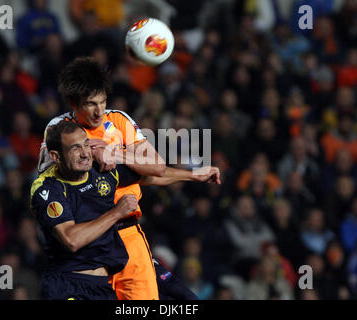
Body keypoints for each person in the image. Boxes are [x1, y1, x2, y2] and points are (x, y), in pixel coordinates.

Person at [37, 56, 220, 300]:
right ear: (73, 103)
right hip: (87, 244)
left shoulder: (119, 121)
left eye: (102, 102)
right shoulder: (59, 130)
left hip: (127, 233)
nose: (99, 111)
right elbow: (51, 182)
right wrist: (90, 152)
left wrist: (114, 151)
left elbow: (154, 167)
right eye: (91, 104)